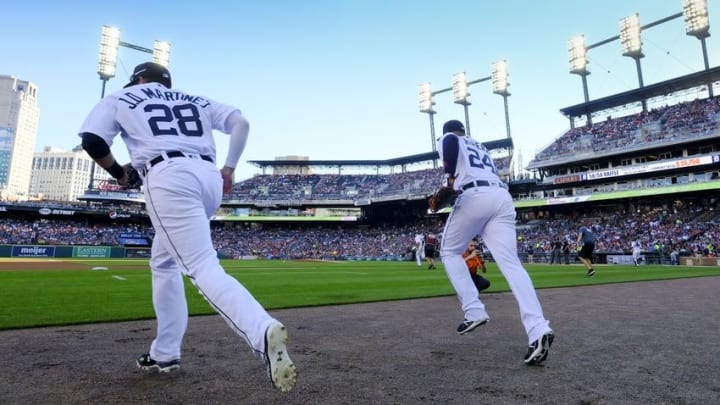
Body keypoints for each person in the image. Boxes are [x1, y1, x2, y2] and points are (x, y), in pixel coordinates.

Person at [78, 62, 297, 392]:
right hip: (208, 177)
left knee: (201, 267)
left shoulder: (123, 96)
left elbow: (93, 140)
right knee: (163, 261)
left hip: (168, 176)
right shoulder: (195, 99)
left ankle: (261, 331)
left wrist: (120, 175)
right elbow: (241, 122)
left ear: (138, 79)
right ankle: (164, 353)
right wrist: (230, 167)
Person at [436, 119, 554, 365]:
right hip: (501, 197)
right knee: (512, 265)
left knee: (448, 251)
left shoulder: (450, 138)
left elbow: (448, 142)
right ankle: (538, 328)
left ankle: (474, 310)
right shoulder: (480, 146)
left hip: (474, 196)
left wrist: (448, 181)